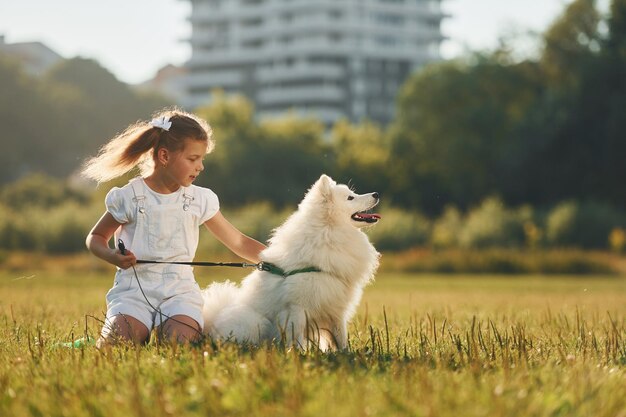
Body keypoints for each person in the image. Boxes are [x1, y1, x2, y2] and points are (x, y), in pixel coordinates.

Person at [82, 108, 266, 347]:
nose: (200, 167)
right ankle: (135, 328)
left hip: (179, 293)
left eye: (201, 159)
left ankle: (160, 330)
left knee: (180, 344)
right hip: (133, 292)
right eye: (192, 159)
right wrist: (111, 255)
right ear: (165, 156)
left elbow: (239, 242)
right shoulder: (129, 196)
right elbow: (95, 237)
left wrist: (278, 260)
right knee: (116, 344)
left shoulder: (200, 199)